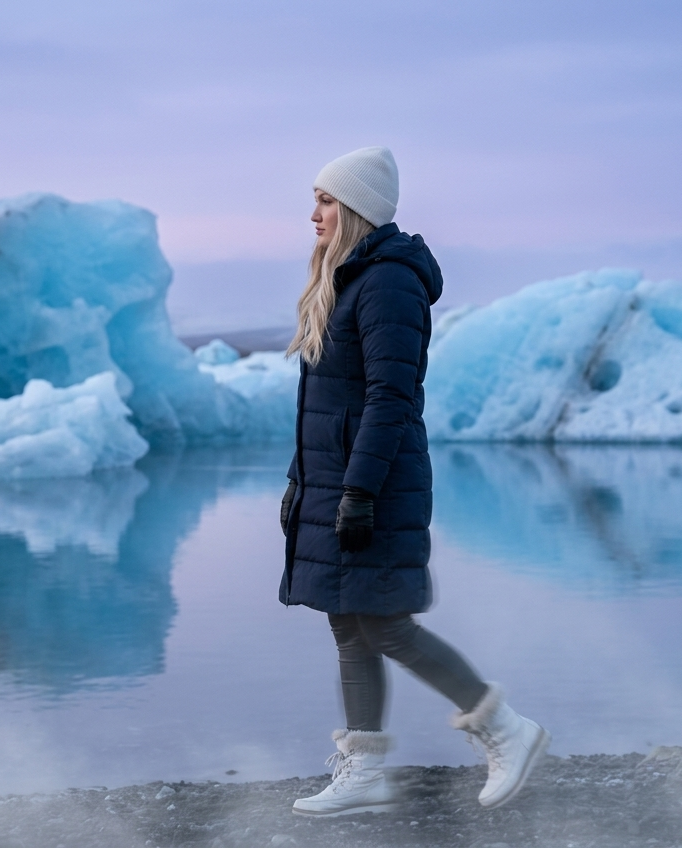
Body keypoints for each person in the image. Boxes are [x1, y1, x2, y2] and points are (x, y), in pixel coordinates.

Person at [279, 147, 550, 817]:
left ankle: (506, 730)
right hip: (338, 479)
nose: (314, 213)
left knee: (386, 624)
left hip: (376, 482)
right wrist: (300, 482)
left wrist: (360, 491)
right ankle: (365, 770)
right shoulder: (345, 277)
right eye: (315, 199)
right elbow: (327, 404)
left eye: (327, 200)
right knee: (350, 622)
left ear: (358, 209)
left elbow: (389, 397)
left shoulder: (388, 283)